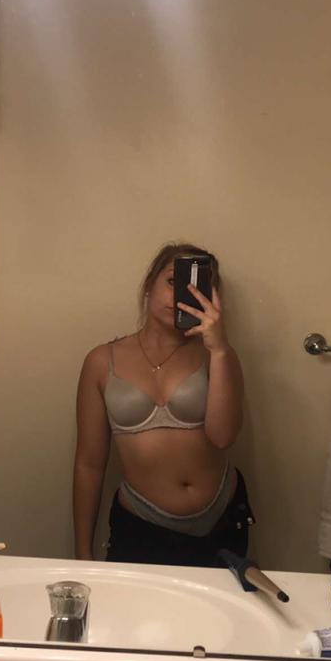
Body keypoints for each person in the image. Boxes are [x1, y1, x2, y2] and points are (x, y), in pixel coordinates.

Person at [73, 242, 254, 566]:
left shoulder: (218, 356)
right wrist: (82, 552)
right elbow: (89, 463)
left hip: (221, 520)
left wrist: (220, 350)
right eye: (173, 281)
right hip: (141, 523)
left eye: (197, 287)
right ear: (149, 285)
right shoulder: (101, 361)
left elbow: (223, 436)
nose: (180, 295)